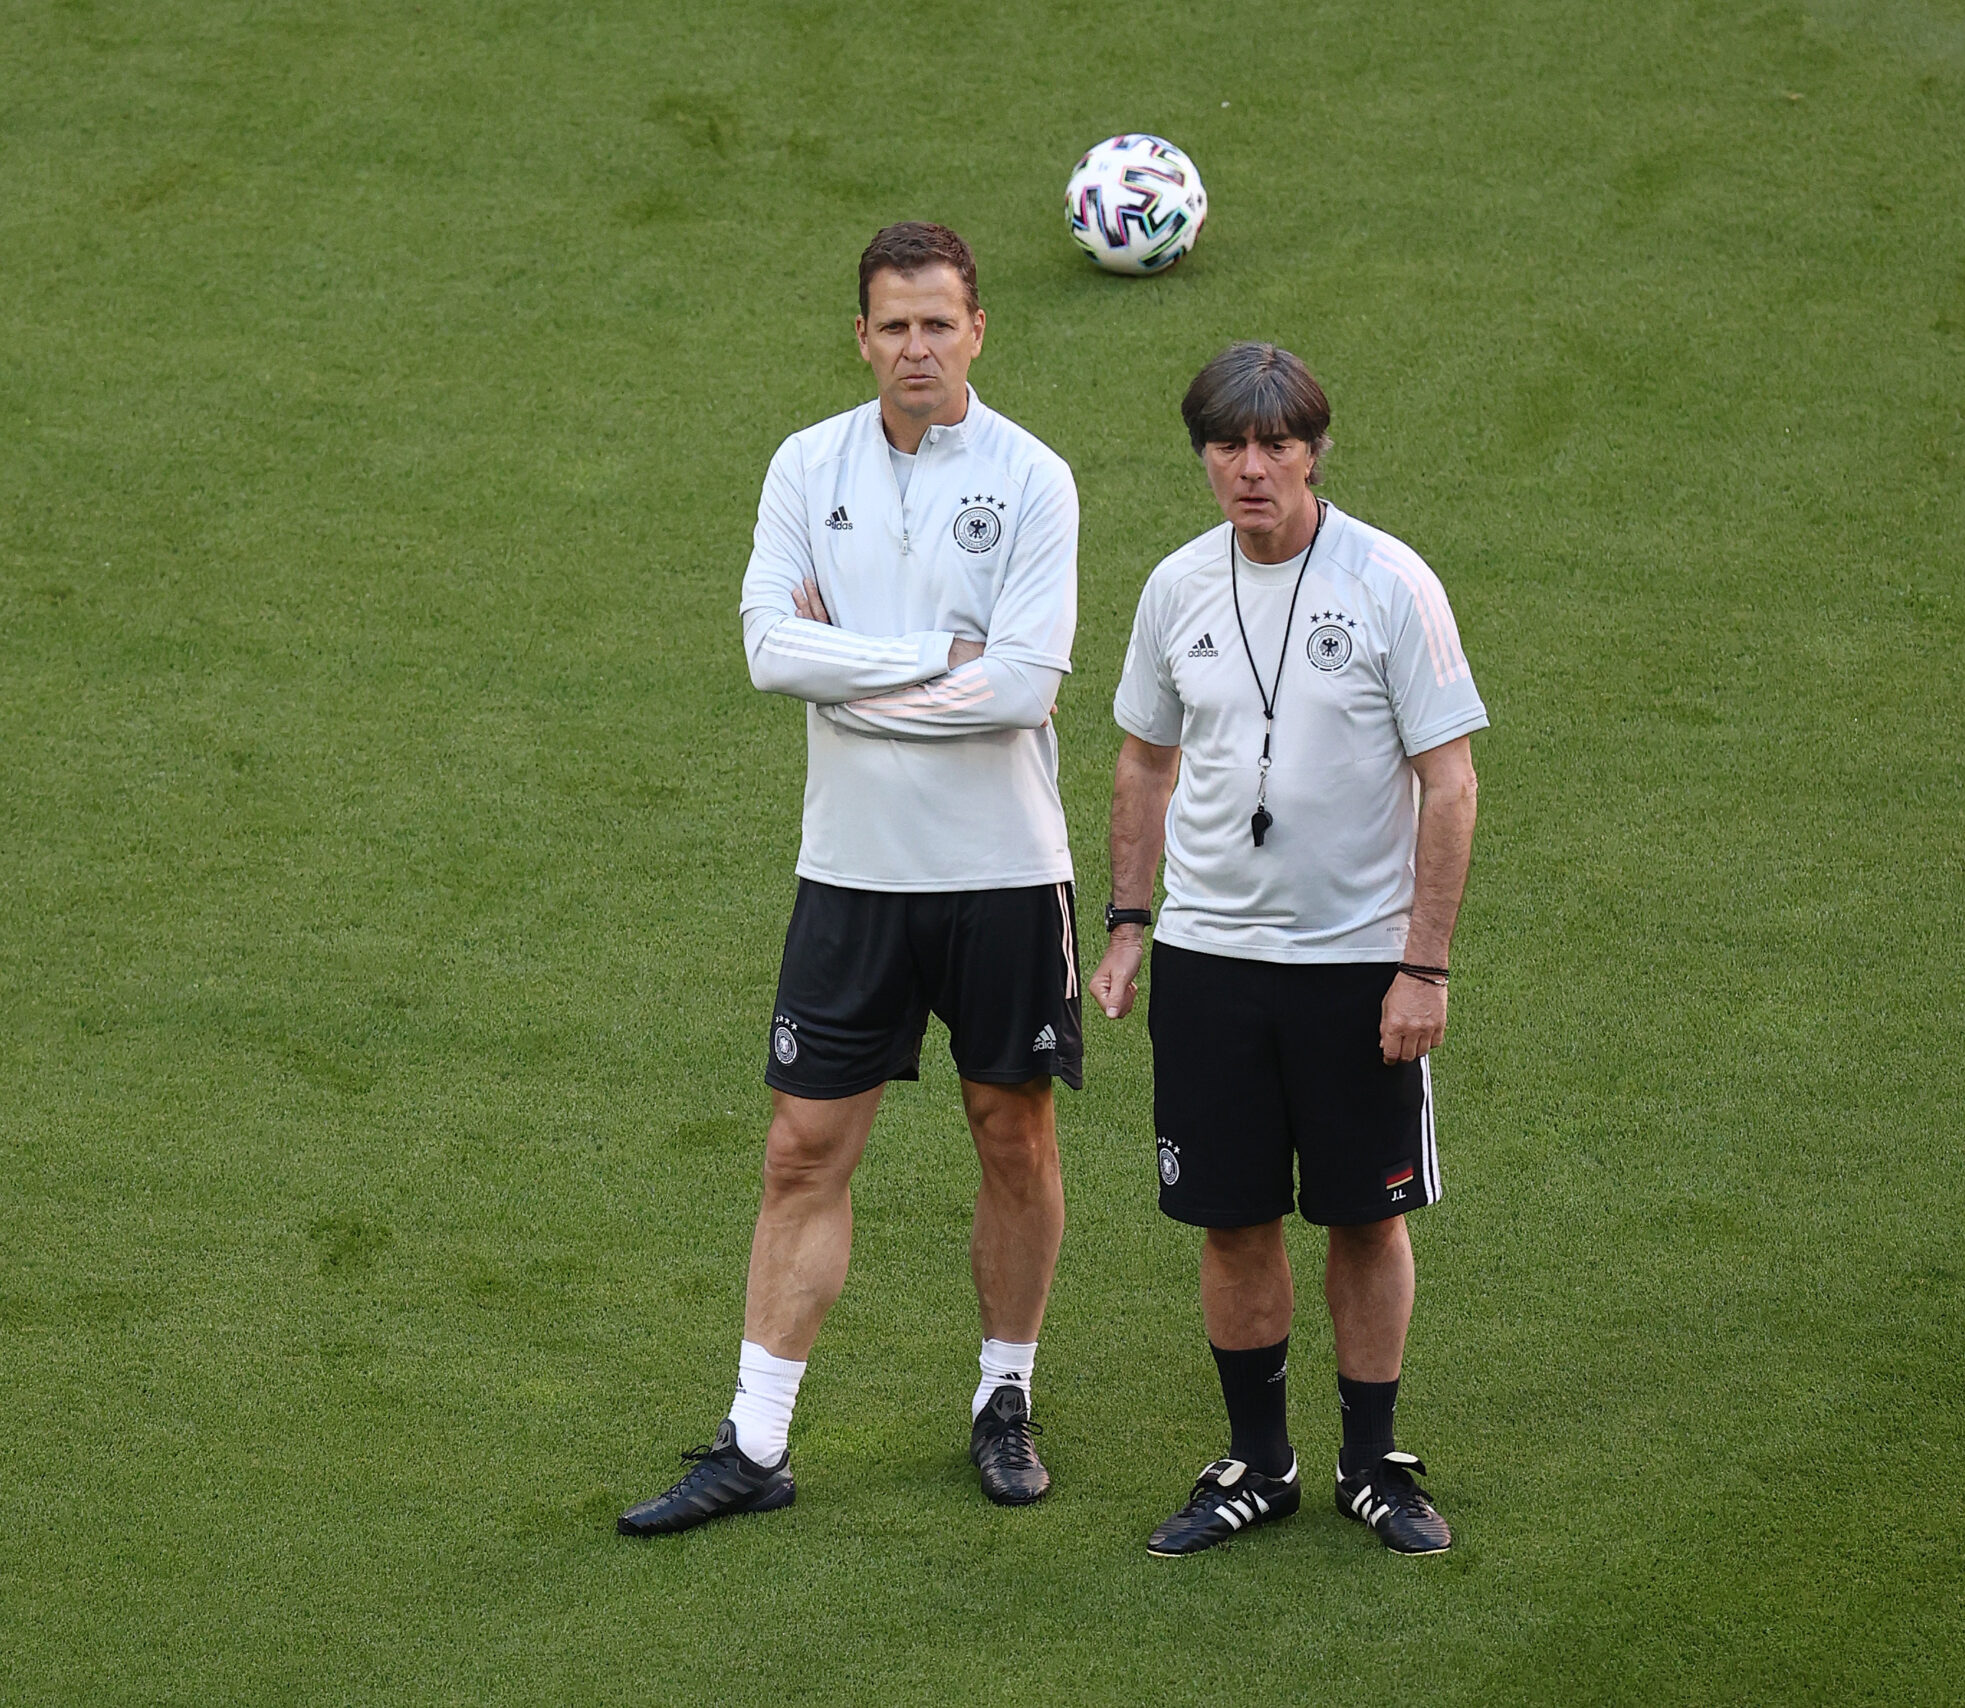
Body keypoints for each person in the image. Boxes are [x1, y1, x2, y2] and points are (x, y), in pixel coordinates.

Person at [620, 223, 1081, 1536]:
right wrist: (943, 663)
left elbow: (1028, 688)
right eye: (894, 325)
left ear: (979, 330)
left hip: (1001, 871)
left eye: (940, 323)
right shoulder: (802, 464)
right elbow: (771, 650)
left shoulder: (1035, 481)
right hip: (853, 874)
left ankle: (1005, 1394)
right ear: (862, 337)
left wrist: (863, 680)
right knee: (802, 1144)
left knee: (1013, 1131)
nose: (917, 347)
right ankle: (756, 1440)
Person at [1090, 343, 1487, 1558]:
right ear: (1202, 455)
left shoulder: (1388, 583)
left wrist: (1421, 966)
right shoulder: (1175, 588)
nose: (1250, 470)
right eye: (1227, 446)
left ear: (1315, 450)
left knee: (1366, 1220)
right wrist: (1125, 923)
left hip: (1355, 967)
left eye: (1275, 446)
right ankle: (1257, 1464)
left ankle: (1374, 1461)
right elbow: (1143, 760)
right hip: (1211, 964)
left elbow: (1452, 782)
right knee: (1231, 1217)